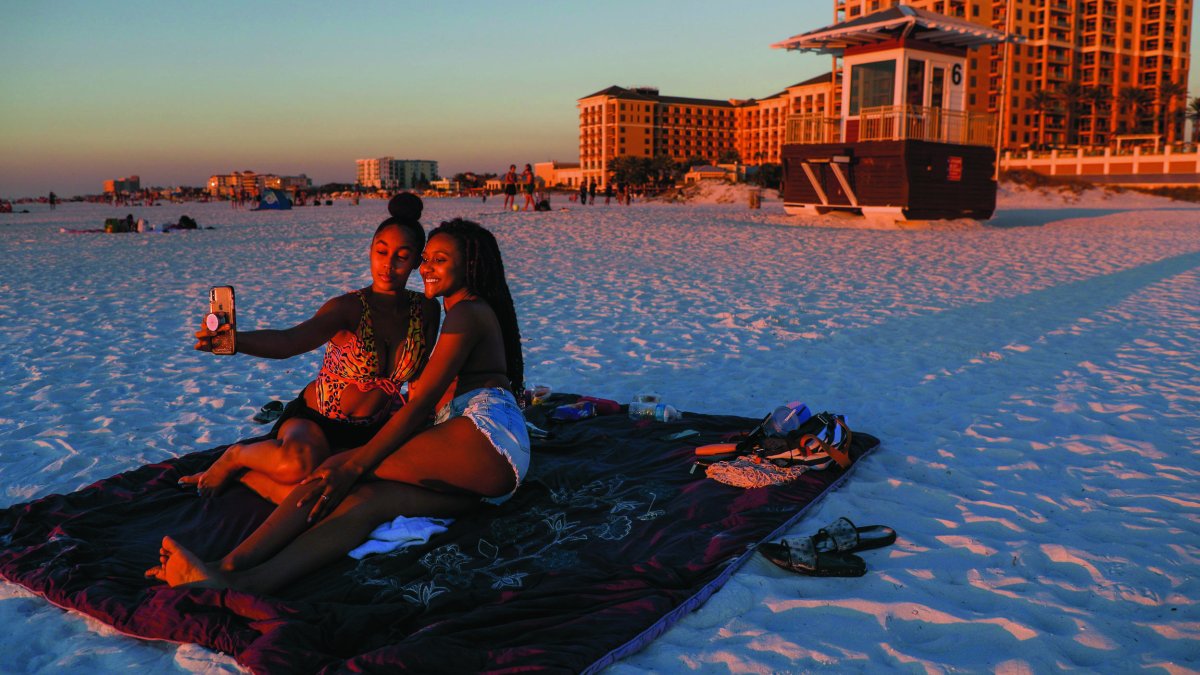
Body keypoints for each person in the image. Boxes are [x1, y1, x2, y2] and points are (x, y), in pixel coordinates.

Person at [147, 218, 530, 595]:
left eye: (435, 259)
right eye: (426, 258)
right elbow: (291, 340)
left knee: (337, 470)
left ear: (469, 265)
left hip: (484, 438)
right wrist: (233, 340)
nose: (424, 268)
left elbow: (420, 402)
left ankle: (227, 566)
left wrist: (356, 463)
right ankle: (245, 582)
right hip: (488, 469)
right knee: (364, 502)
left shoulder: (458, 312)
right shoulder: (420, 309)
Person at [179, 193, 440, 505]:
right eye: (381, 252)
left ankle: (246, 478)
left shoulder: (425, 310)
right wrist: (234, 341)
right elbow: (291, 341)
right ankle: (236, 457)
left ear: (415, 262)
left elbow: (422, 378)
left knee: (321, 497)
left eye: (401, 256)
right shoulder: (348, 308)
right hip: (316, 421)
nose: (388, 265)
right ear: (370, 251)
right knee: (298, 467)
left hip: (373, 428)